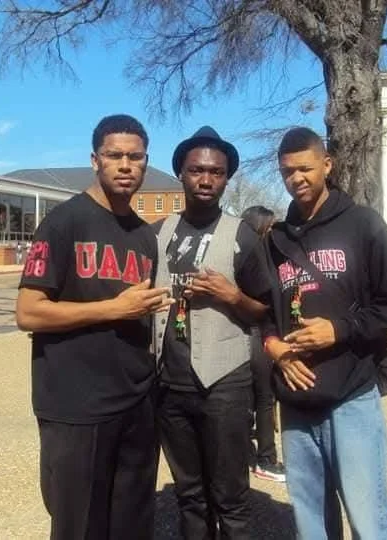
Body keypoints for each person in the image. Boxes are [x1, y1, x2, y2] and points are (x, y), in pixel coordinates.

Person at [16, 114, 173, 540]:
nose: (125, 165)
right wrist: (113, 309)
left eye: (135, 157)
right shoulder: (63, 223)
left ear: (145, 162)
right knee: (80, 528)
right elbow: (28, 312)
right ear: (94, 160)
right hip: (76, 407)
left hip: (136, 403)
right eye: (114, 155)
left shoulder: (144, 236)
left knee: (133, 525)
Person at [262, 127, 387, 540]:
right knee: (310, 520)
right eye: (287, 172)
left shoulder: (362, 224)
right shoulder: (275, 239)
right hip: (296, 402)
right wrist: (278, 352)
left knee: (369, 516)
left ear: (327, 165)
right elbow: (264, 314)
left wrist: (338, 329)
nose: (297, 179)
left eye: (305, 168)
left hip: (352, 395)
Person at [152, 126, 272, 539]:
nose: (206, 179)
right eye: (196, 170)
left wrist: (231, 296)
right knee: (190, 494)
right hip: (170, 384)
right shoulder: (158, 232)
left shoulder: (242, 236)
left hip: (225, 384)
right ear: (181, 174)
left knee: (230, 497)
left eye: (216, 172)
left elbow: (265, 310)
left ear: (227, 178)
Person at [240, 205, 286, 483]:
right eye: (270, 226)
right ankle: (266, 459)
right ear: (262, 227)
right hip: (257, 332)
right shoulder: (262, 254)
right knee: (264, 399)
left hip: (245, 333)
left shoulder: (241, 249)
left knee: (247, 399)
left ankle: (247, 452)